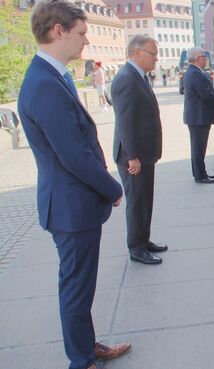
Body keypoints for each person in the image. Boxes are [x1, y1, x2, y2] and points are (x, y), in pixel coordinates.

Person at [17, 1, 131, 368]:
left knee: (79, 286)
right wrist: (113, 187)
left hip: (72, 203)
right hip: (71, 206)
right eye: (81, 33)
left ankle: (86, 346)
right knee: (76, 288)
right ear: (57, 30)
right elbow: (73, 155)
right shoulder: (44, 83)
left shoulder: (51, 76)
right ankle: (81, 360)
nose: (86, 41)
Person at [111, 35, 167, 265]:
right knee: (137, 202)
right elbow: (125, 121)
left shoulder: (138, 76)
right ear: (137, 53)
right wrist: (132, 156)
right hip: (133, 157)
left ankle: (144, 240)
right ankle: (136, 248)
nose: (156, 59)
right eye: (153, 54)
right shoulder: (126, 78)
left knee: (145, 200)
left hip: (144, 154)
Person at [183, 47, 214, 184]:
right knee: (198, 148)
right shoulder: (195, 74)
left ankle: (201, 173)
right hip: (198, 117)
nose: (205, 59)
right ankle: (200, 176)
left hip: (197, 117)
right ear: (197, 58)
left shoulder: (195, 72)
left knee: (199, 148)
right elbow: (205, 94)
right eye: (204, 57)